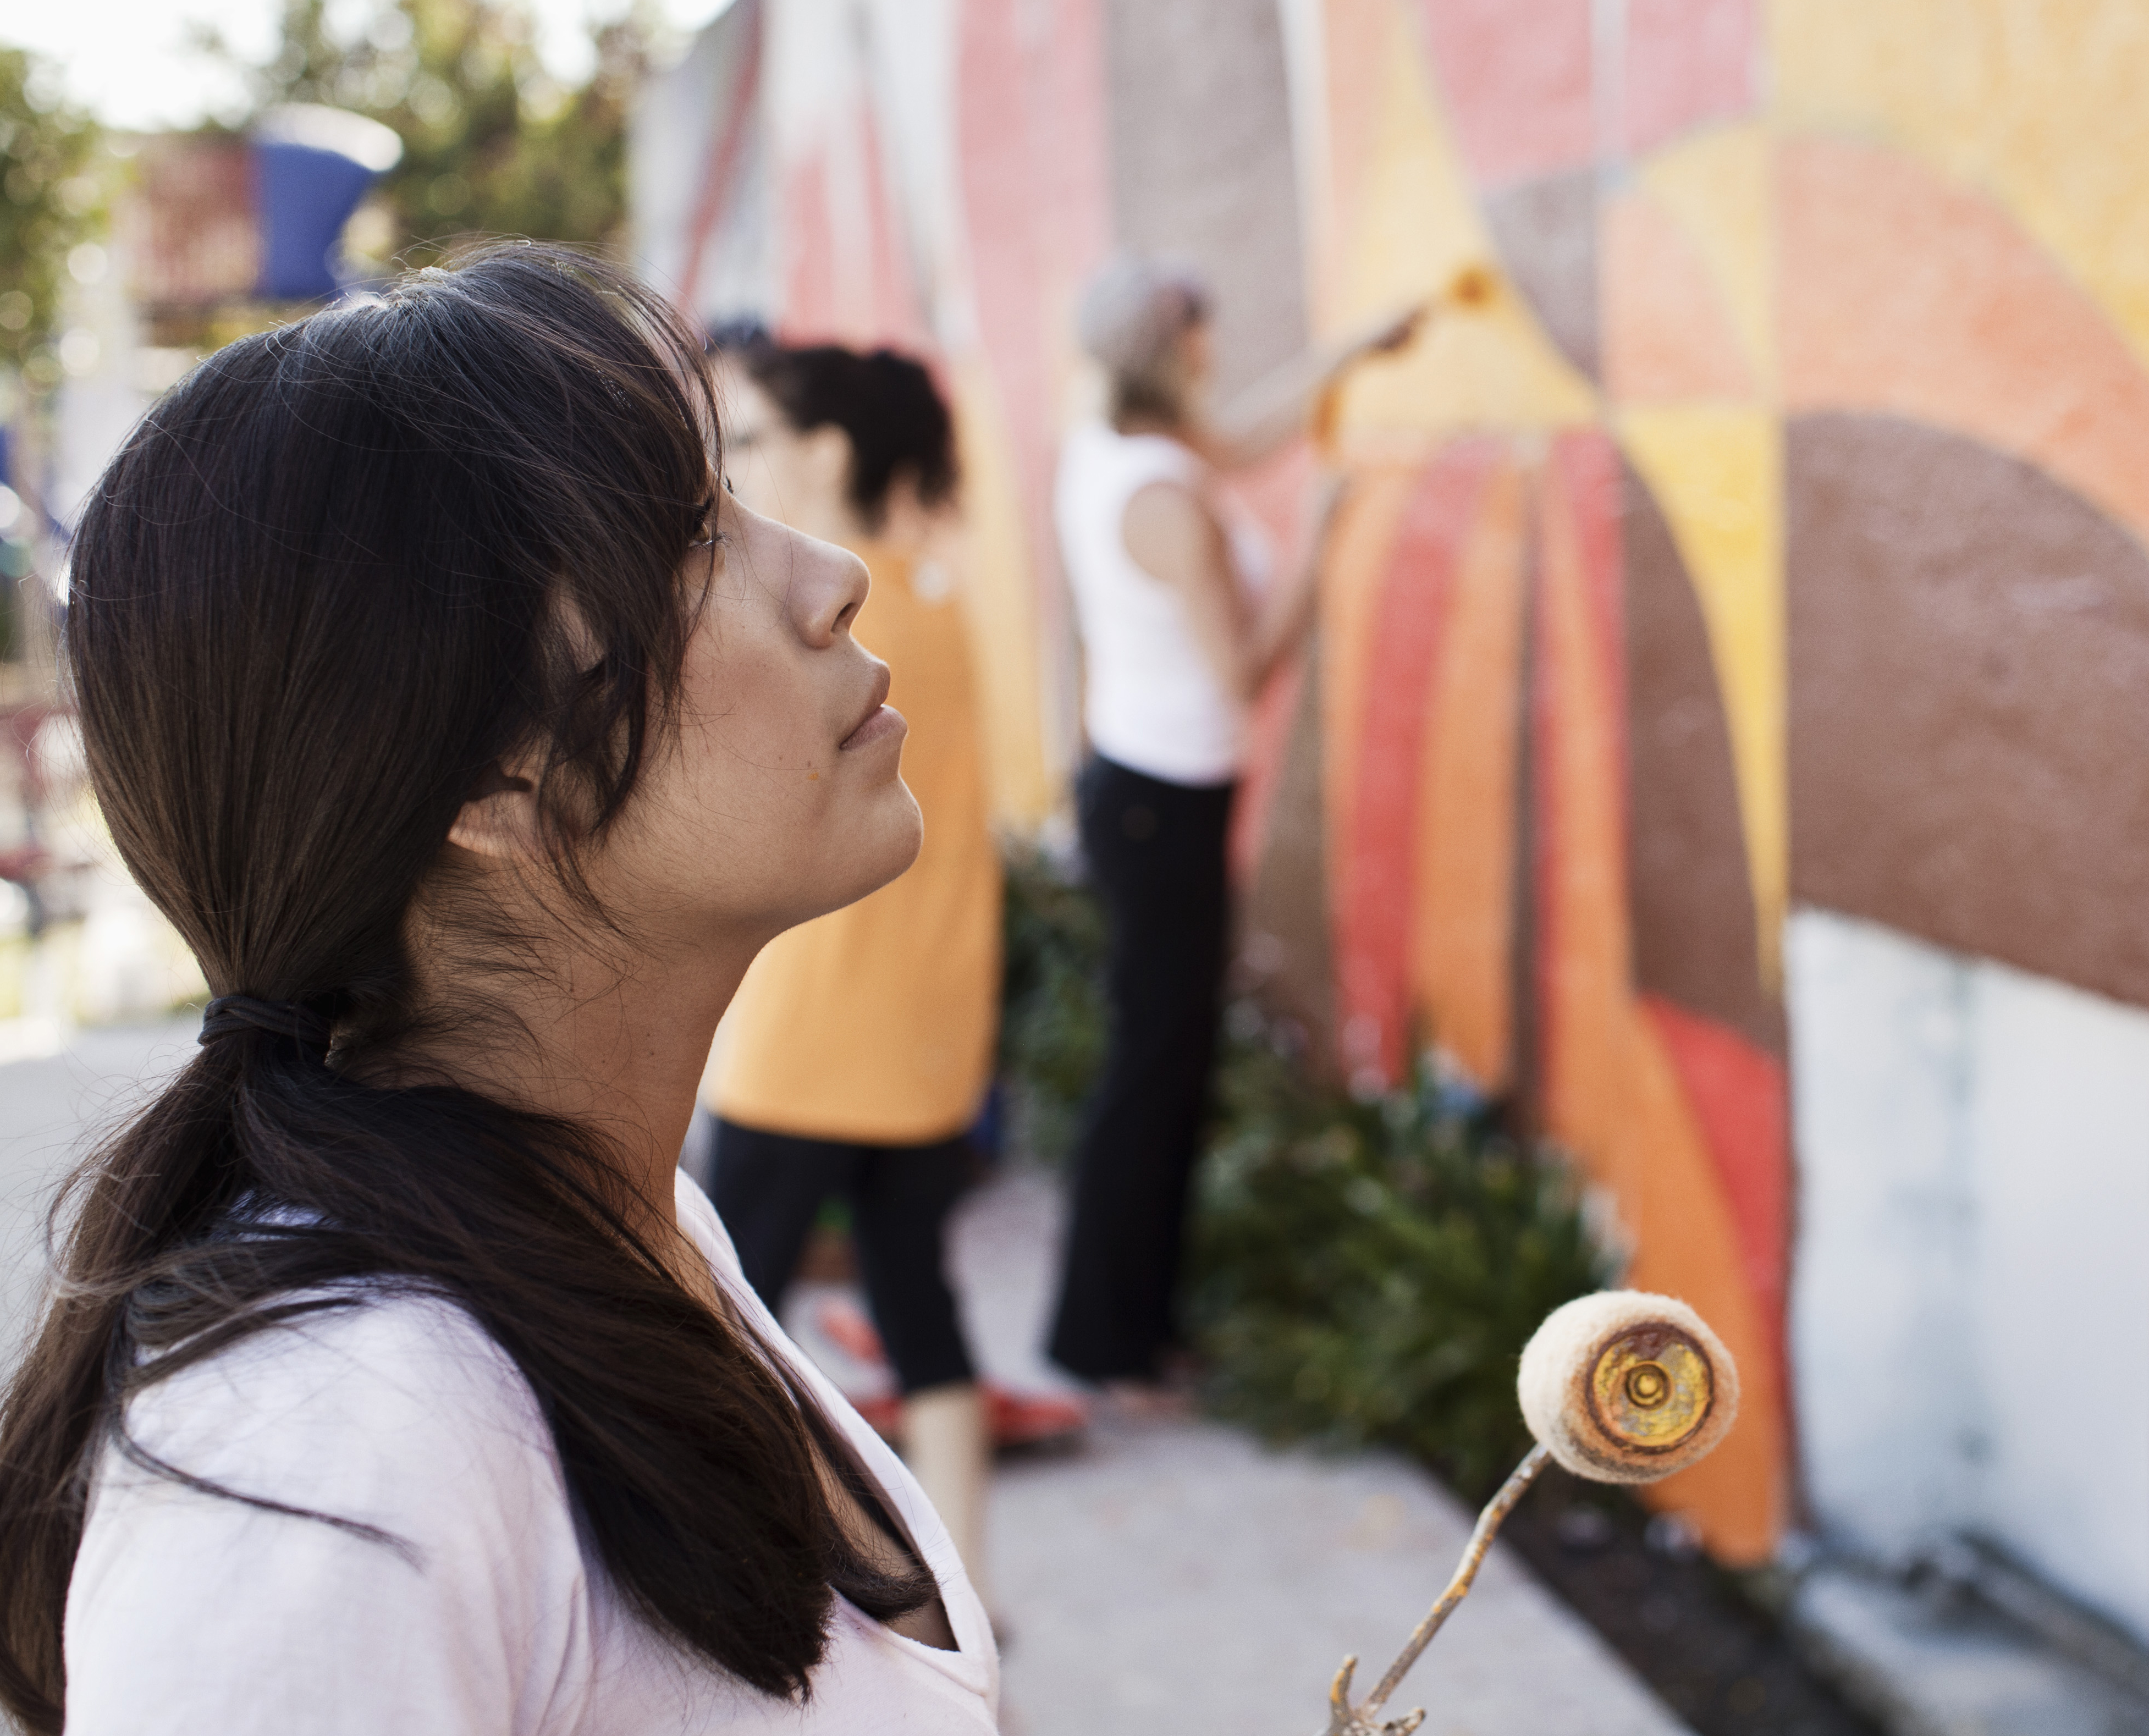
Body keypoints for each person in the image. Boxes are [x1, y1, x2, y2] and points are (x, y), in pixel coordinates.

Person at [0, 247, 996, 1732]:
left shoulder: (624, 1224)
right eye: (689, 539)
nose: (826, 577)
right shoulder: (332, 1447)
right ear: (485, 779)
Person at [703, 339, 1068, 1609]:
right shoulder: (946, 601)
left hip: (804, 1036)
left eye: (752, 440)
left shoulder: (826, 625)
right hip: (924, 1032)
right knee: (923, 1311)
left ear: (828, 454)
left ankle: (749, 1586)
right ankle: (956, 1593)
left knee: (712, 1327)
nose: (735, 468)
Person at [1046, 258, 1417, 1393]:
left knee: (1165, 1059)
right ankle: (1110, 1345)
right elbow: (1245, 669)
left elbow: (1247, 435)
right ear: (1177, 352)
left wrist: (1357, 346)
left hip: (1151, 791)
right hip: (1160, 806)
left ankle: (1126, 1332)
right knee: (1156, 1069)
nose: (1216, 353)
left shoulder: (1127, 448)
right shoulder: (1163, 500)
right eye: (1203, 338)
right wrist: (1323, 532)